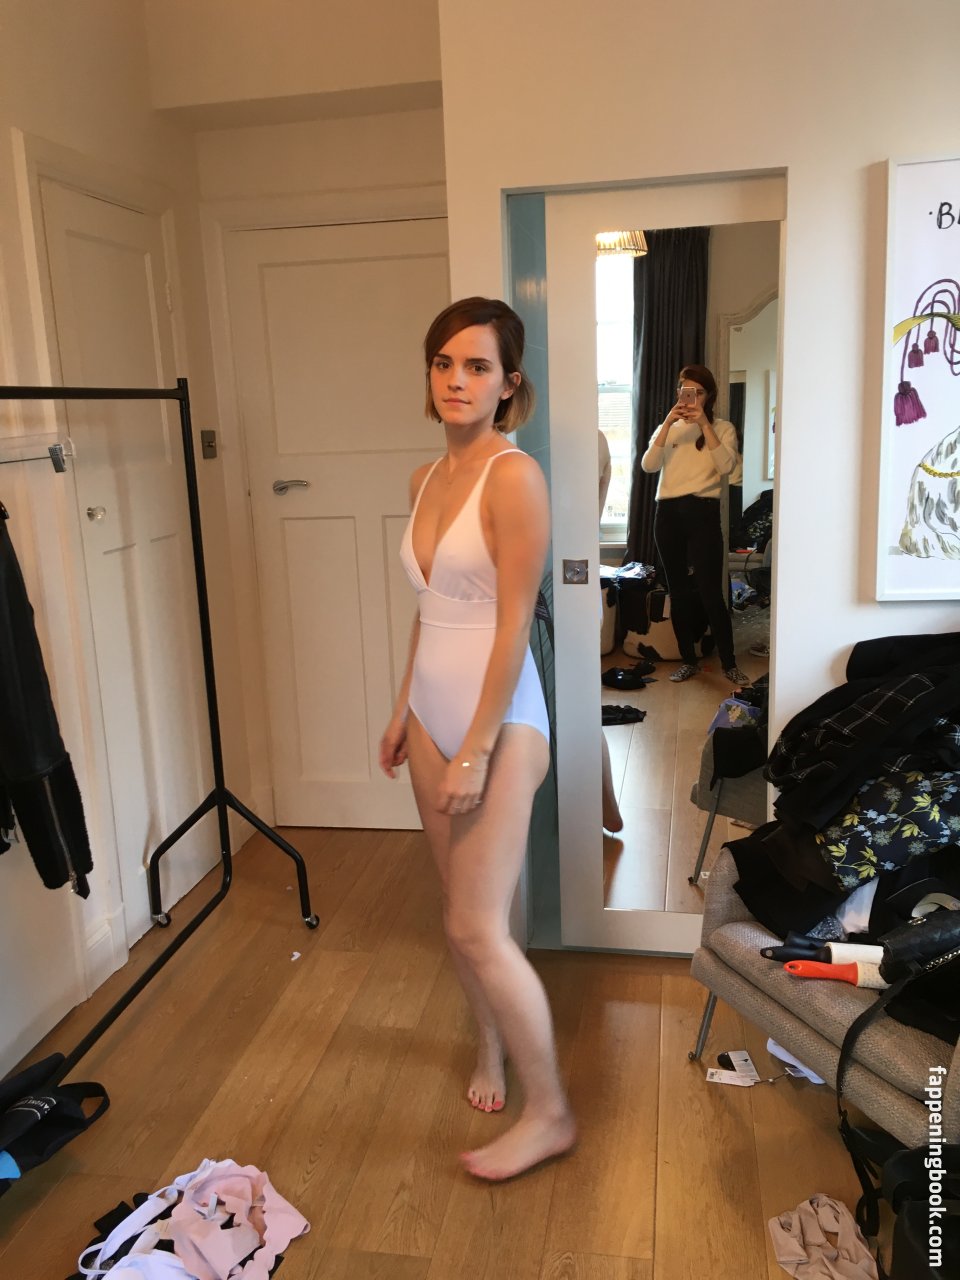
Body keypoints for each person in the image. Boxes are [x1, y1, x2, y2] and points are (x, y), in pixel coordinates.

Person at [379, 297, 576, 1182]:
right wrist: (402, 710)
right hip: (430, 714)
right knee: (458, 914)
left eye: (477, 367)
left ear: (508, 383)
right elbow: (430, 611)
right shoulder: (422, 478)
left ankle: (552, 1112)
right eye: (443, 363)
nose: (456, 380)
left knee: (475, 923)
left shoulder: (514, 477)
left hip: (501, 722)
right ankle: (490, 1046)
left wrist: (476, 748)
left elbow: (511, 624)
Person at [640, 365, 750, 685]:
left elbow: (726, 466)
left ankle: (729, 663)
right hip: (668, 514)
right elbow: (649, 465)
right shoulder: (668, 428)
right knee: (678, 592)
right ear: (678, 393)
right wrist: (667, 424)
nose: (691, 398)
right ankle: (688, 660)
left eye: (698, 393)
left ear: (709, 395)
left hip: (703, 513)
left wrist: (703, 423)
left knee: (711, 592)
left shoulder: (723, 428)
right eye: (686, 391)